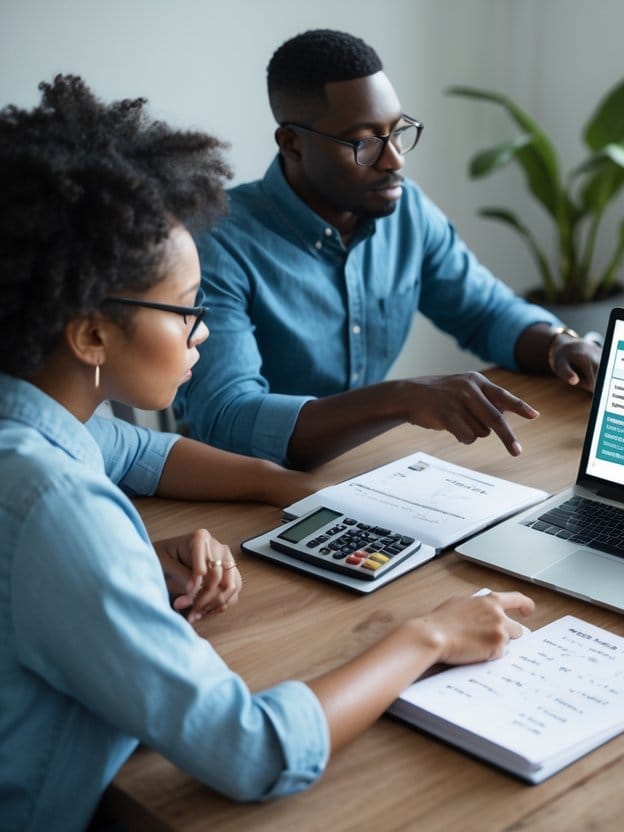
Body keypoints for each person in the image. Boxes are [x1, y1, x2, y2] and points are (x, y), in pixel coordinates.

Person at [0, 75, 535, 829]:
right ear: (89, 333)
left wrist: (286, 491)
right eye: (185, 311)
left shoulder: (30, 421)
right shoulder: (55, 502)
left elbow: (132, 452)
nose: (203, 330)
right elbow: (250, 752)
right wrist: (431, 633)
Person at [174, 28, 601, 469]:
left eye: (396, 131)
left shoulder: (406, 209)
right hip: (231, 490)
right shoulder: (217, 244)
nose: (394, 158)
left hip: (358, 467)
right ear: (292, 144)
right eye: (363, 141)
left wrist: (558, 345)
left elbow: (485, 312)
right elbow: (228, 418)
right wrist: (399, 399)